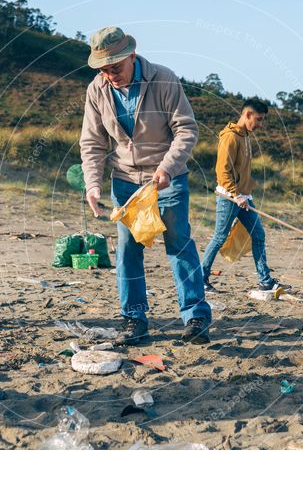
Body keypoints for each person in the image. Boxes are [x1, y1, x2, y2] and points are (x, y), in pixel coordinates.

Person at [79, 26, 212, 345]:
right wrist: (93, 185)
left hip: (167, 179)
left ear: (132, 56)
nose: (110, 75)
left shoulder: (164, 79)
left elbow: (186, 130)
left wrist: (168, 167)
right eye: (104, 70)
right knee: (128, 250)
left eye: (116, 68)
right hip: (125, 182)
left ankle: (195, 316)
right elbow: (93, 143)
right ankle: (134, 319)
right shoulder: (97, 90)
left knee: (179, 244)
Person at [200, 99, 288, 293]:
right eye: (258, 119)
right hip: (229, 198)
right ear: (247, 115)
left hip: (243, 197)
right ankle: (201, 279)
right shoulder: (230, 137)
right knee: (219, 237)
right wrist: (235, 194)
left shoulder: (245, 136)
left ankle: (265, 281)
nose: (260, 124)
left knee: (258, 235)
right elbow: (222, 171)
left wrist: (244, 195)